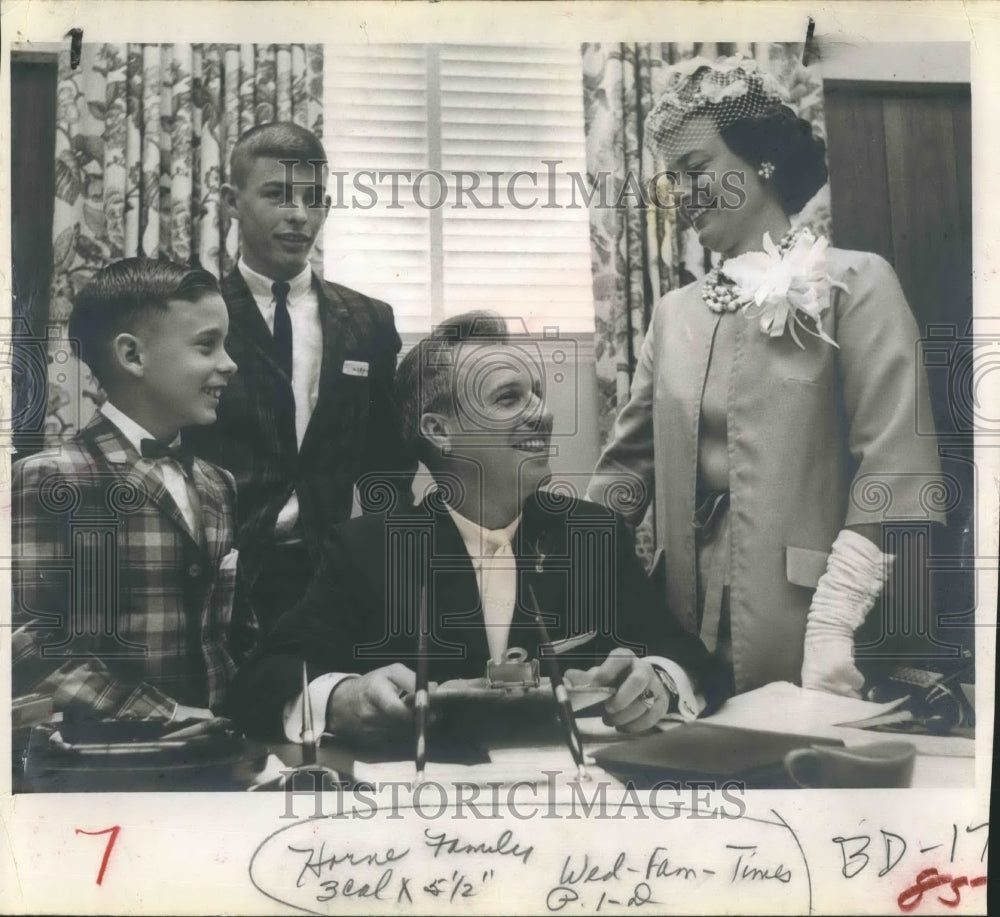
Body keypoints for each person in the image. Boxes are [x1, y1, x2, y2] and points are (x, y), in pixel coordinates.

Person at [586, 56, 943, 698]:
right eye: (671, 180)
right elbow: (622, 477)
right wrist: (554, 568)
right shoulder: (673, 315)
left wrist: (834, 626)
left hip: (815, 633)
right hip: (677, 644)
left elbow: (895, 472)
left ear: (763, 161)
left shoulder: (856, 285)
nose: (680, 195)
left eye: (695, 170)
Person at [226, 312, 727, 744]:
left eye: (538, 394)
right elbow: (260, 681)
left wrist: (658, 681)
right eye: (510, 398)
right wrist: (340, 698)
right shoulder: (368, 549)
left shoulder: (592, 535)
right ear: (439, 431)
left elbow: (688, 658)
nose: (544, 414)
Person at [186, 122, 411, 637]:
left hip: (331, 571)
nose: (298, 215)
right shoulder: (194, 312)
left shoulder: (367, 321)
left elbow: (388, 462)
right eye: (277, 195)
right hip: (220, 572)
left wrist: (379, 558)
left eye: (313, 200)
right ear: (231, 202)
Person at [12, 259, 256, 723]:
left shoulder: (216, 483)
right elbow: (28, 645)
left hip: (217, 753)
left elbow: (234, 637)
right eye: (207, 346)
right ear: (132, 356)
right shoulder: (49, 478)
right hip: (105, 763)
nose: (230, 363)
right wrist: (167, 715)